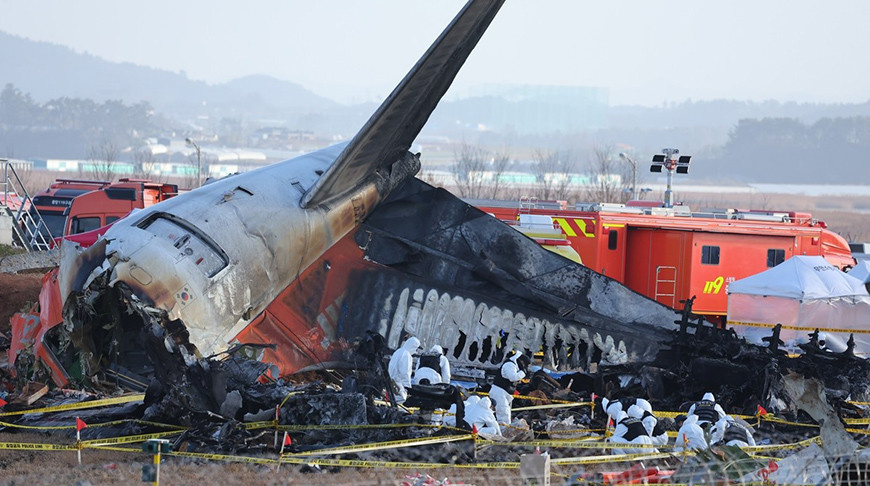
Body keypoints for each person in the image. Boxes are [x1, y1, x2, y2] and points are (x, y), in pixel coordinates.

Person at [489, 351, 530, 425]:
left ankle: (505, 429)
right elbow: (513, 377)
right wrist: (523, 373)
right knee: (503, 414)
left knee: (506, 413)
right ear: (520, 361)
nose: (523, 366)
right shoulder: (509, 364)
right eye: (524, 364)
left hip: (506, 393)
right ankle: (503, 431)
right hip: (500, 391)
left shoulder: (514, 366)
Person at [387, 336, 421, 403]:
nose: (415, 352)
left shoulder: (398, 351)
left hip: (391, 383)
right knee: (402, 406)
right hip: (398, 385)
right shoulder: (406, 355)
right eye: (416, 349)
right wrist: (408, 388)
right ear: (413, 347)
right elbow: (405, 373)